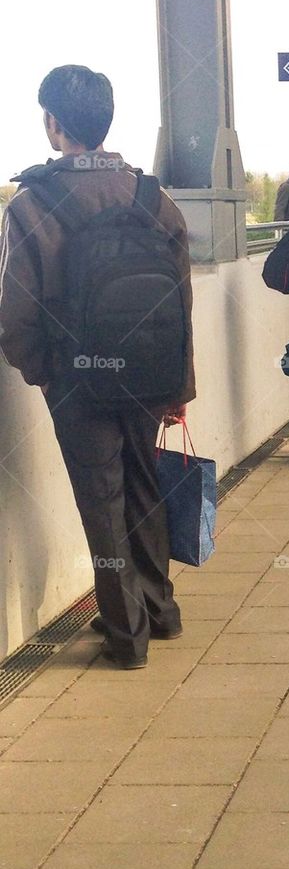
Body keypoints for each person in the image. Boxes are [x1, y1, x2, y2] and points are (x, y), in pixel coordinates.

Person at [0, 65, 195, 669]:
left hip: (78, 382)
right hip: (148, 376)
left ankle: (126, 634)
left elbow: (15, 314)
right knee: (144, 486)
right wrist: (178, 386)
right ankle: (161, 610)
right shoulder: (152, 197)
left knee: (101, 500)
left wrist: (47, 374)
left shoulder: (31, 205)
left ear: (54, 125)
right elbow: (182, 301)